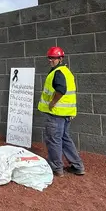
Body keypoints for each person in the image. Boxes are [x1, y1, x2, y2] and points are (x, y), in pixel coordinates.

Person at [37, 46, 85, 177]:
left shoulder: (58, 73)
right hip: (66, 113)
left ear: (61, 58)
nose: (51, 60)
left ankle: (56, 168)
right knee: (64, 139)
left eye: (54, 58)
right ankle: (78, 166)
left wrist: (52, 103)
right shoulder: (66, 71)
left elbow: (61, 90)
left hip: (56, 113)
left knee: (53, 140)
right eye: (50, 58)